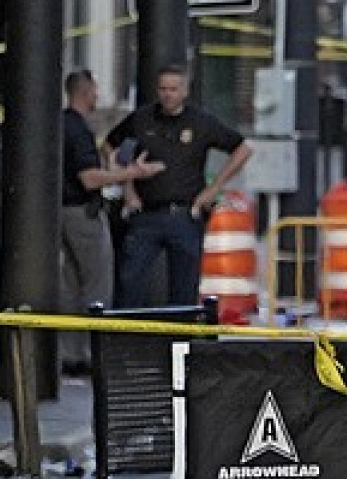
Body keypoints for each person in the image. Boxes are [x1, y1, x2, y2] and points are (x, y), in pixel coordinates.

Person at [105, 66, 253, 308]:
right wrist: (127, 184)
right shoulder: (142, 119)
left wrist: (214, 188)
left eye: (173, 89)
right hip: (145, 214)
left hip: (184, 214)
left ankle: (178, 343)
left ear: (184, 91)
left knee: (184, 289)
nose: (167, 95)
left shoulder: (200, 121)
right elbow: (110, 145)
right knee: (129, 281)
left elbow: (242, 148)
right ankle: (127, 341)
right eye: (163, 89)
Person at [60, 69, 165, 375]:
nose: (97, 96)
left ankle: (69, 353)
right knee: (96, 284)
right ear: (86, 92)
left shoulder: (61, 124)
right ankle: (93, 355)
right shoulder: (78, 130)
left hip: (62, 213)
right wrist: (132, 174)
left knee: (69, 285)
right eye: (95, 91)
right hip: (83, 213)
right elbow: (90, 178)